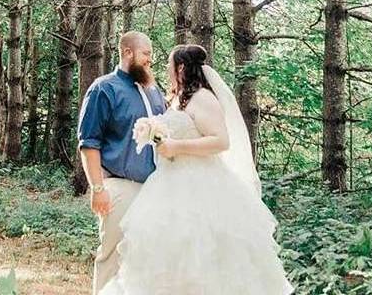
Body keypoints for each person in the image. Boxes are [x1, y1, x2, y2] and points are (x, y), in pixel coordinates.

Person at [99, 44, 293, 295]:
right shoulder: (178, 99)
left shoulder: (203, 97)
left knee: (200, 255)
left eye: (170, 65)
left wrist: (176, 146)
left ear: (181, 67)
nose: (166, 70)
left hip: (200, 185)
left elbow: (221, 141)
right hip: (168, 185)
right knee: (165, 255)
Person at [77, 31, 166, 295]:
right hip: (119, 187)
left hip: (155, 189)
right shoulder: (104, 88)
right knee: (112, 258)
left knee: (147, 261)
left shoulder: (153, 92)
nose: (151, 60)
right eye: (146, 54)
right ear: (128, 52)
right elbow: (89, 142)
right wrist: (98, 189)